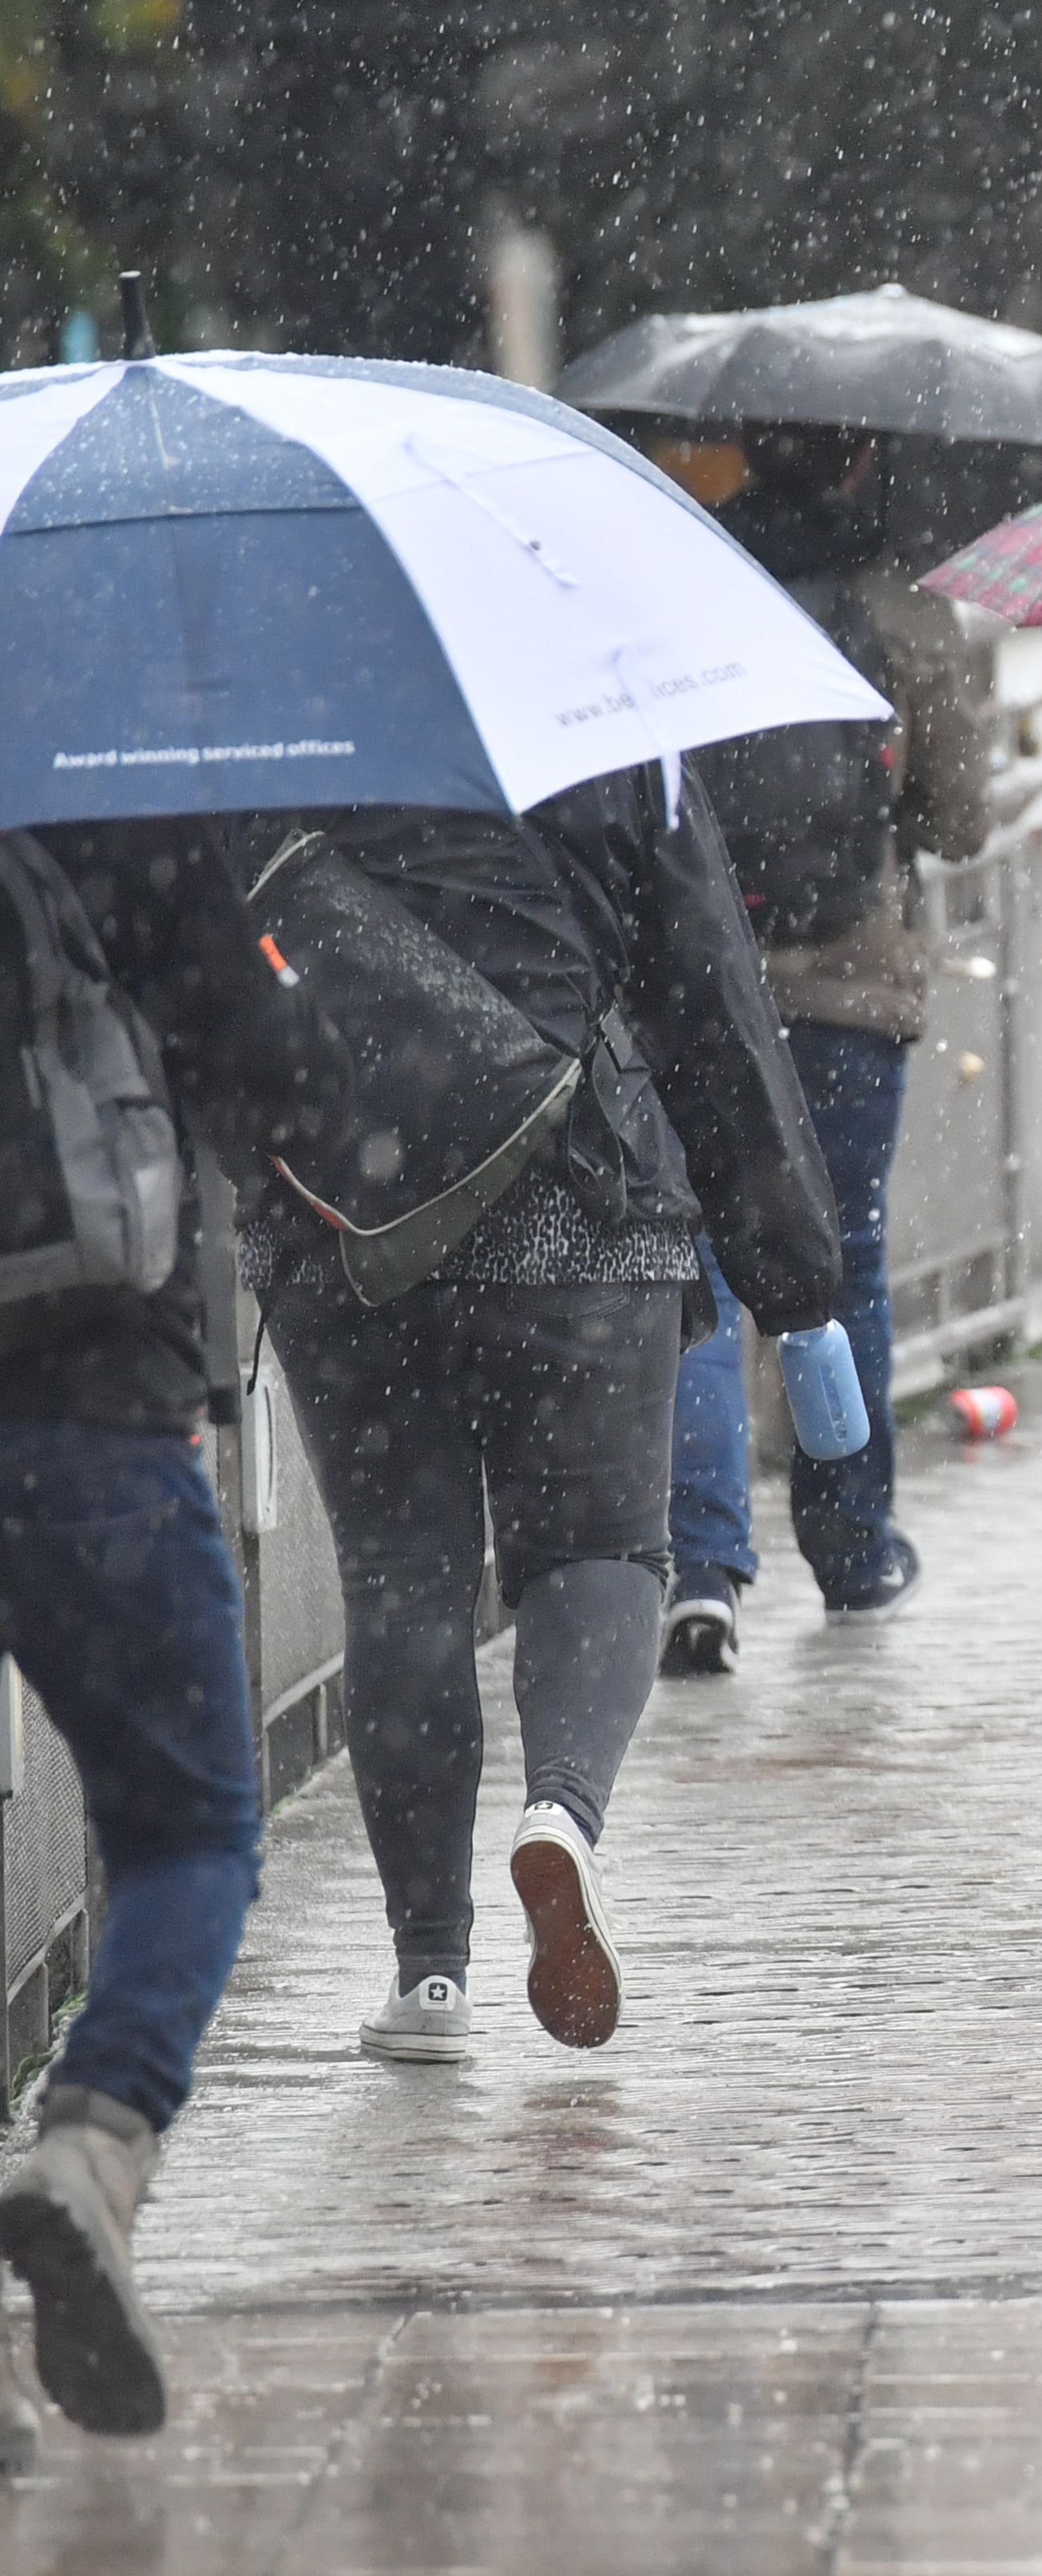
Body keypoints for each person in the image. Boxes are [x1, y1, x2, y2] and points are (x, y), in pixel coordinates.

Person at [249, 769, 840, 2066]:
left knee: (402, 1579)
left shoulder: (270, 707)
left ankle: (430, 1977)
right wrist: (794, 1278)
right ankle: (561, 1814)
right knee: (602, 1550)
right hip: (582, 1185)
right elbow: (712, 1001)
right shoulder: (595, 712)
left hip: (348, 1217)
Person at [0, 820, 345, 2451]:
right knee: (193, 1821)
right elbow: (288, 1071)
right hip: (97, 1403)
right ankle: (95, 2136)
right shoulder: (116, 782)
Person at [663, 424, 996, 1670]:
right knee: (837, 1261)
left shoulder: (688, 582)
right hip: (849, 995)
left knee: (692, 1265)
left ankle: (700, 1563)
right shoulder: (898, 612)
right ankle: (852, 1548)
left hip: (702, 989)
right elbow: (959, 819)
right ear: (863, 458)